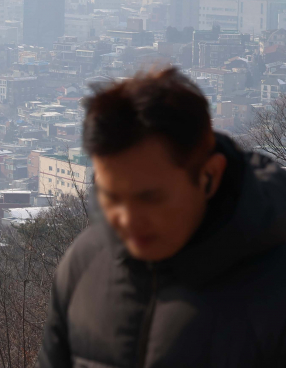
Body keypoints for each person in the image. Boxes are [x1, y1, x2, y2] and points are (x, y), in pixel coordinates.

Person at [39, 67, 286, 367]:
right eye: (111, 196)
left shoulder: (273, 291)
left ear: (209, 176)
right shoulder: (85, 263)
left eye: (150, 197)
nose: (127, 220)